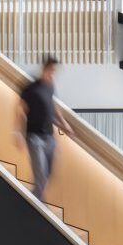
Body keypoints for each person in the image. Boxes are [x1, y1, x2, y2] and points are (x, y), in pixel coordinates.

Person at [16, 57, 74, 202]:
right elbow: (20, 110)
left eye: (55, 71)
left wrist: (64, 123)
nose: (53, 73)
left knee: (48, 173)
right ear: (45, 68)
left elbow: (53, 106)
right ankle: (38, 204)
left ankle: (35, 197)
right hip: (34, 137)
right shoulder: (29, 88)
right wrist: (18, 132)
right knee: (40, 173)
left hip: (49, 137)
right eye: (52, 70)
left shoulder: (50, 86)